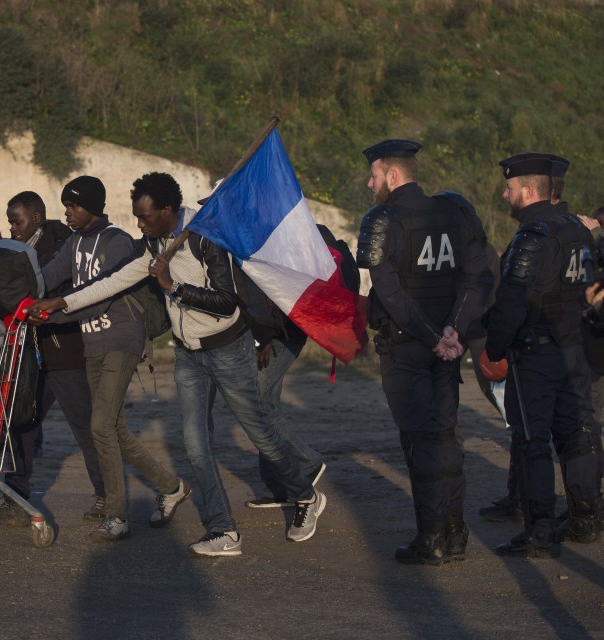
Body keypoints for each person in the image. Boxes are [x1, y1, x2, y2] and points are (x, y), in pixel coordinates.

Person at [31, 172, 325, 556]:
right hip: (189, 354)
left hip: (227, 348)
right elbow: (114, 281)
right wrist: (62, 303)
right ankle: (223, 530)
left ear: (168, 210)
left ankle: (305, 496)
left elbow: (228, 302)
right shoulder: (154, 243)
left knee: (260, 432)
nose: (139, 224)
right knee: (195, 446)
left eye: (145, 216)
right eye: (136, 216)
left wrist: (173, 287)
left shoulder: (205, 236)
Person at [32, 175, 189, 543]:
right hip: (92, 343)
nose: (67, 213)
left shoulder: (116, 241)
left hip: (121, 338)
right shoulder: (73, 242)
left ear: (92, 207)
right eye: (66, 207)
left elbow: (100, 292)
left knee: (100, 425)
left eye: (73, 206)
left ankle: (116, 515)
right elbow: (47, 276)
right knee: (112, 428)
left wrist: (52, 312)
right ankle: (171, 485)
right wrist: (19, 296)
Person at [356, 140, 492, 565]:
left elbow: (391, 294)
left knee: (422, 441)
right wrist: (455, 329)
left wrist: (434, 336)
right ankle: (454, 532)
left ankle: (431, 537)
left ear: (393, 176)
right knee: (446, 435)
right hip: (449, 345)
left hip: (410, 346)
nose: (369, 182)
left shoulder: (383, 219)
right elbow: (478, 276)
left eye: (374, 175)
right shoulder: (456, 211)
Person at [484, 153, 603, 557]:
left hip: (537, 353)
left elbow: (513, 300)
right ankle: (585, 519)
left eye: (510, 187)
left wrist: (494, 346)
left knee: (534, 439)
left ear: (529, 190)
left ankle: (540, 530)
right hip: (575, 350)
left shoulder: (533, 236)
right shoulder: (577, 230)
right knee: (577, 434)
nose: (505, 193)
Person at [0, 190, 106, 525]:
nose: (12, 227)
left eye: (17, 221)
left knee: (85, 427)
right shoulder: (21, 249)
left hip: (66, 351)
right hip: (32, 353)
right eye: (10, 221)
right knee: (21, 422)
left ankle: (105, 495)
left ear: (37, 218)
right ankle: (15, 493)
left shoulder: (61, 246)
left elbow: (64, 294)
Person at [242, 223, 358, 508]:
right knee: (267, 402)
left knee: (257, 403)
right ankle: (277, 487)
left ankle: (308, 462)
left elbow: (268, 290)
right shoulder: (271, 233)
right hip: (281, 329)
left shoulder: (274, 236)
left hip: (283, 330)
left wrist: (264, 336)